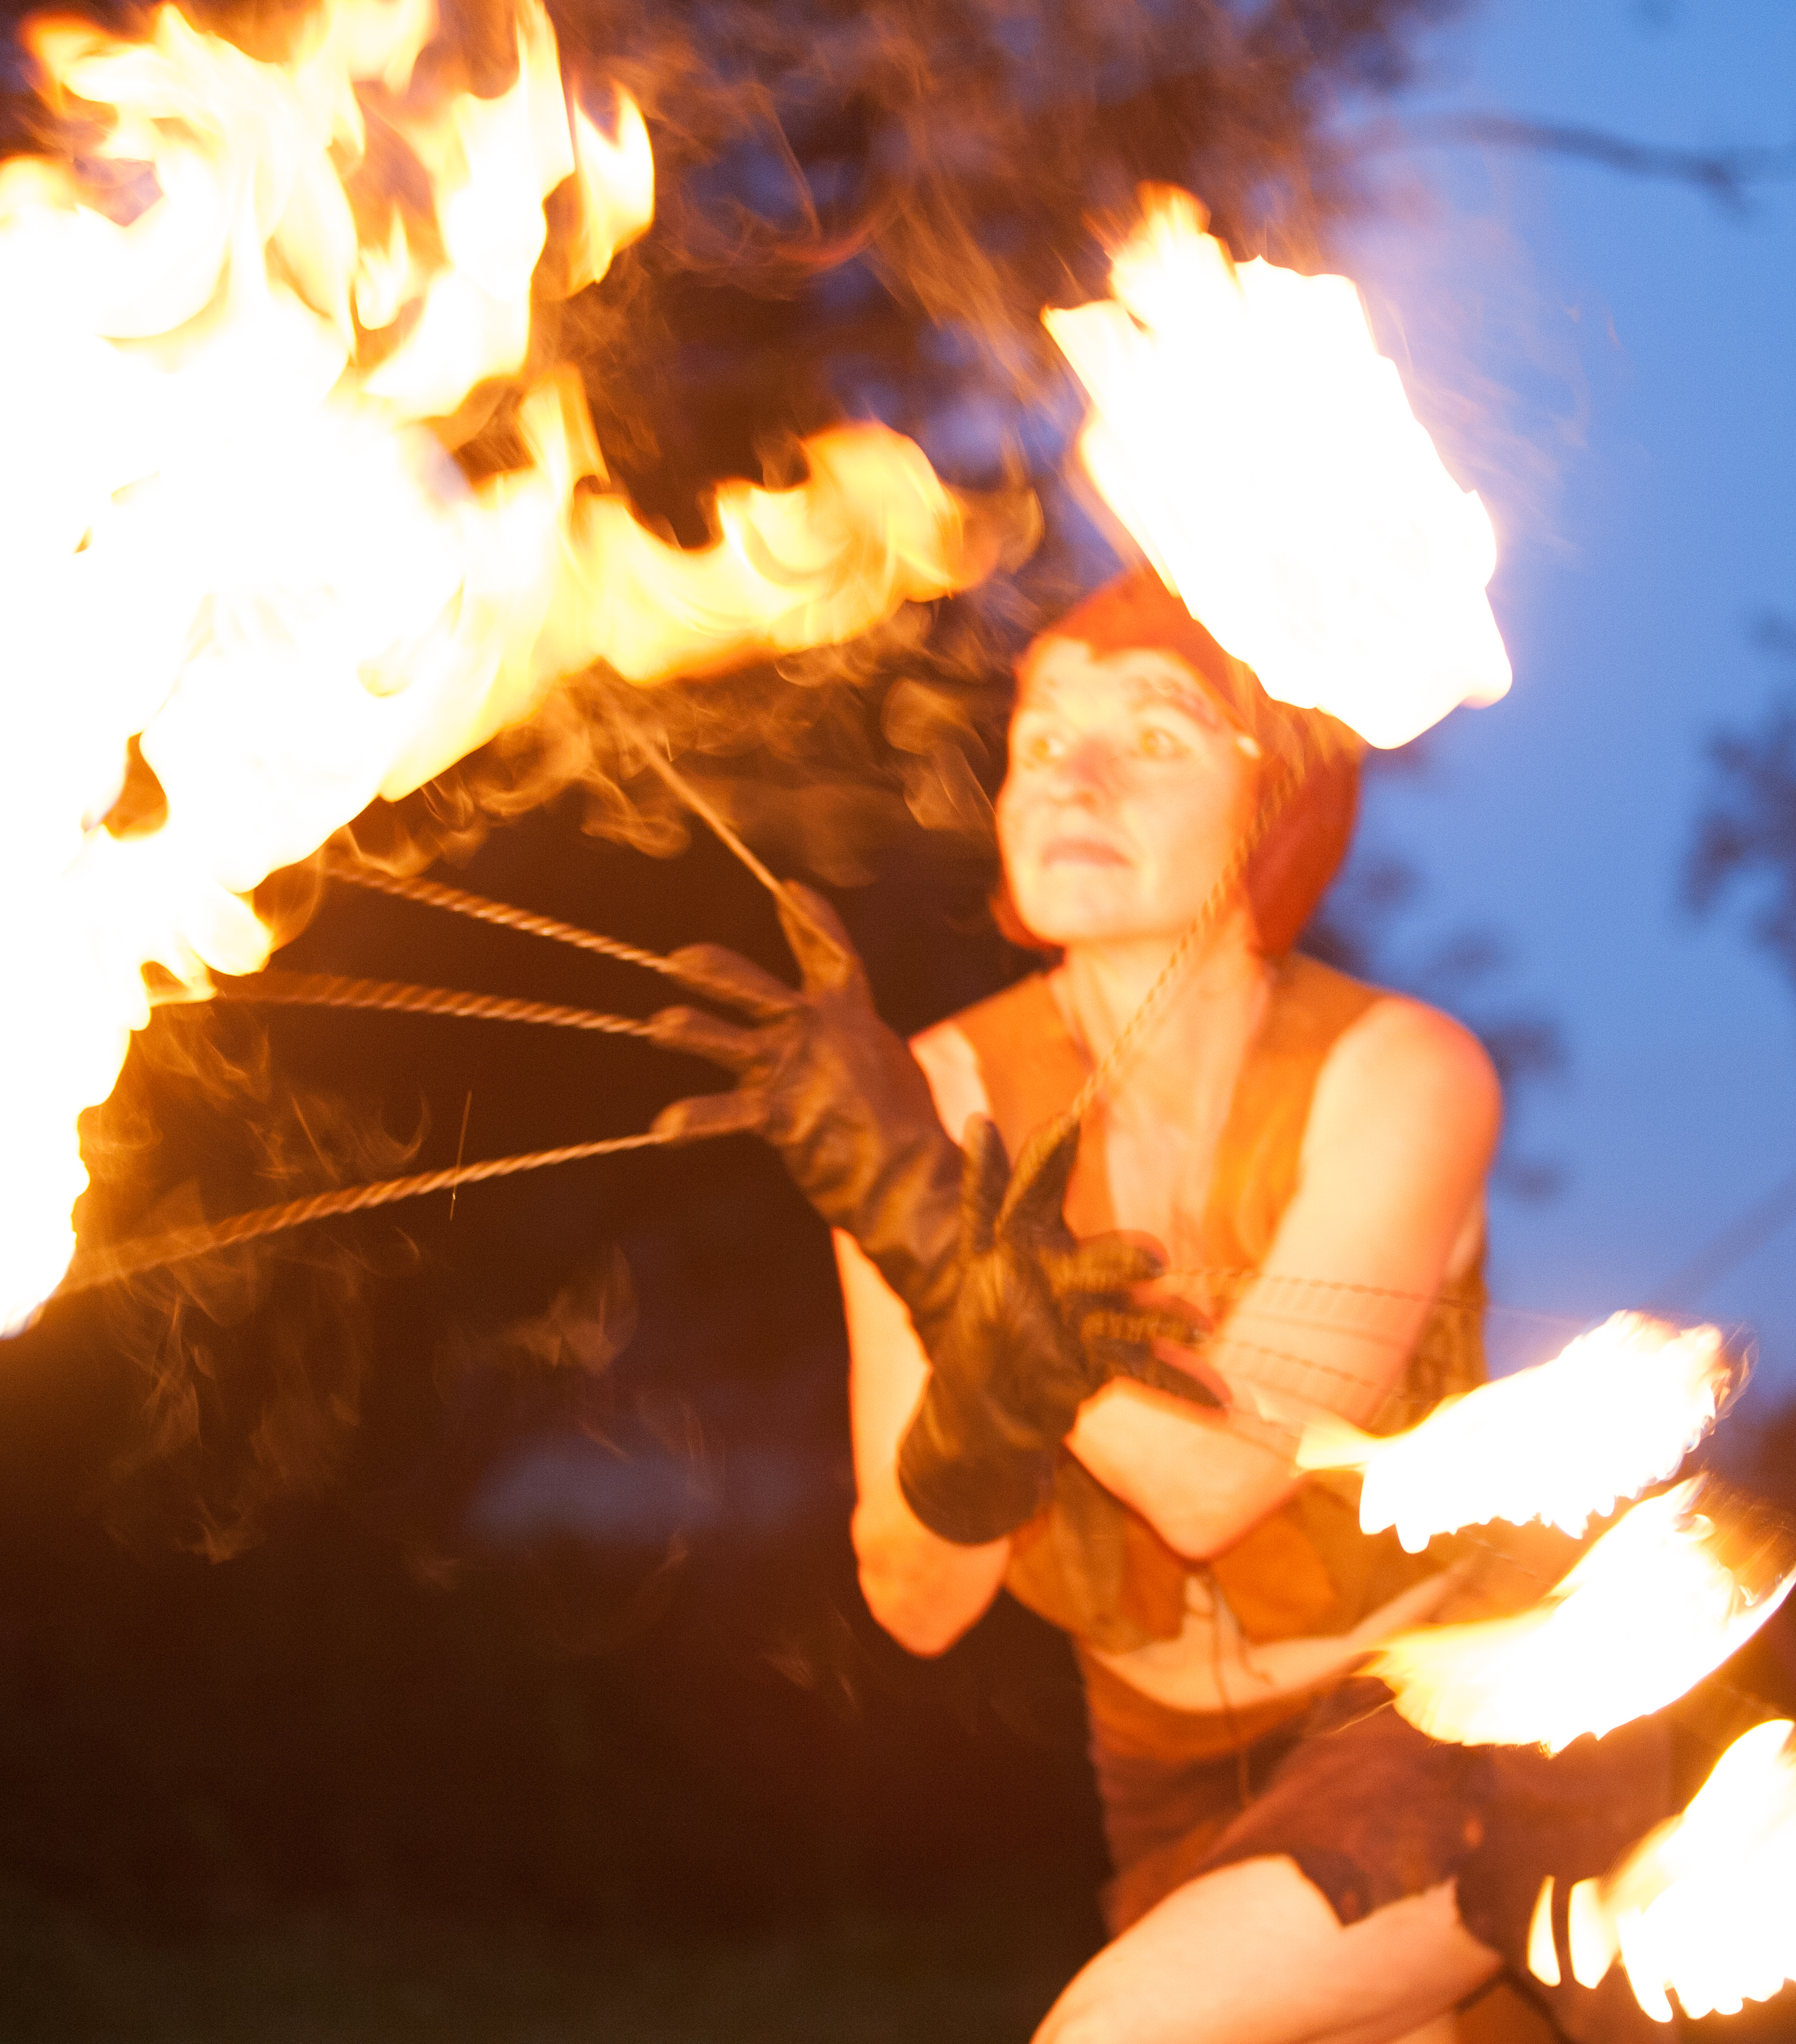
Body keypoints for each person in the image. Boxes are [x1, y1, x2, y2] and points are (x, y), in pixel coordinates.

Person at [653, 568, 1664, 2044]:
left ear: (1273, 804)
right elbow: (919, 1595)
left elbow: (1214, 1483)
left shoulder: (1406, 1075)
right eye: (1042, 736)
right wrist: (978, 1396)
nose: (1076, 774)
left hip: (1458, 1715)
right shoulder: (924, 1097)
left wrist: (931, 1231)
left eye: (1156, 735)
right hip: (1163, 1783)